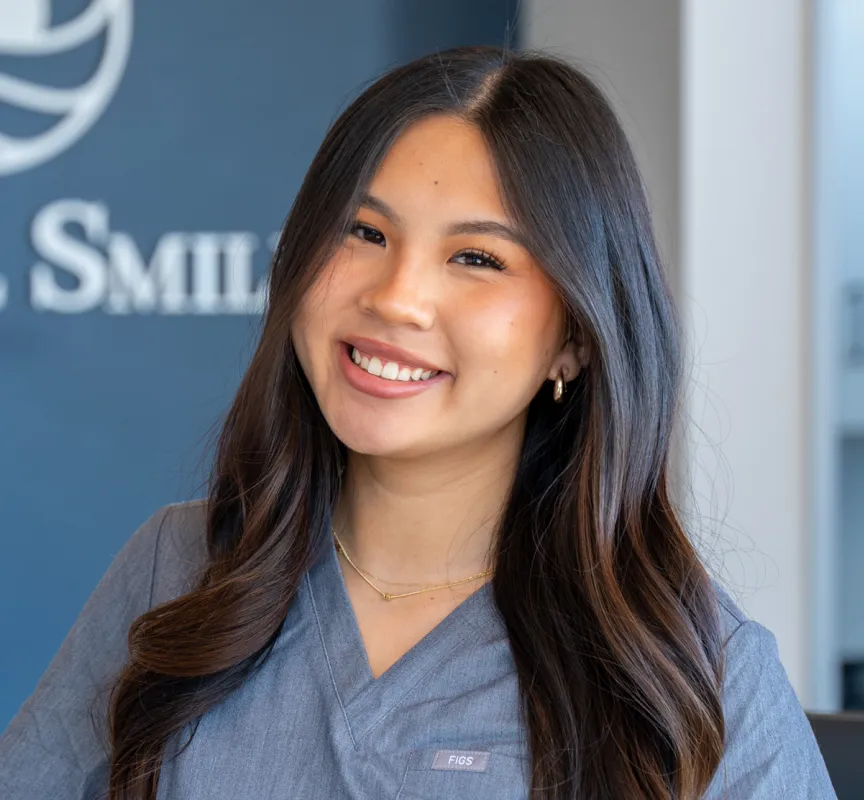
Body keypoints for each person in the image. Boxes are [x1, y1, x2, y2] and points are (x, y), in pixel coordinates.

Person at [0, 45, 836, 800]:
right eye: (364, 231)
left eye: (476, 258)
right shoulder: (176, 569)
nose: (397, 297)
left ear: (575, 338)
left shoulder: (693, 669)